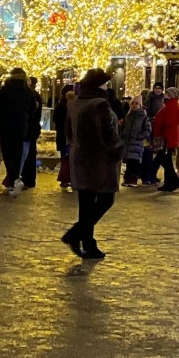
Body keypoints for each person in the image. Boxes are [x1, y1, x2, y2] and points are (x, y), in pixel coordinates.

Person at [62, 69, 123, 259]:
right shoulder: (100, 104)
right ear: (99, 85)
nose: (107, 85)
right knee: (106, 199)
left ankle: (88, 242)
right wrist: (119, 149)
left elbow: (68, 132)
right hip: (99, 161)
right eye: (105, 82)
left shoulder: (75, 102)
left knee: (86, 203)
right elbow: (108, 136)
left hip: (80, 159)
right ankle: (76, 235)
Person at [0, 68, 39, 196]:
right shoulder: (29, 92)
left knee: (7, 156)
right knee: (17, 155)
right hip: (21, 128)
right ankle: (14, 182)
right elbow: (33, 111)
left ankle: (14, 180)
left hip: (5, 128)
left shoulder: (3, 91)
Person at [150, 89, 179, 192]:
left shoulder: (171, 107)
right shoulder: (171, 106)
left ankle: (171, 182)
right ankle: (170, 182)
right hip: (167, 138)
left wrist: (157, 121)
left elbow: (169, 122)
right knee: (166, 162)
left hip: (166, 138)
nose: (165, 95)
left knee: (164, 160)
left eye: (168, 94)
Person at [120, 96, 150, 187]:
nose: (134, 105)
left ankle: (133, 179)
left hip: (137, 143)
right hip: (128, 143)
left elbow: (147, 129)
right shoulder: (128, 116)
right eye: (132, 103)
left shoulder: (143, 117)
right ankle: (127, 179)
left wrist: (139, 136)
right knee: (129, 162)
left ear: (140, 105)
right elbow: (123, 127)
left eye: (136, 103)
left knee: (135, 162)